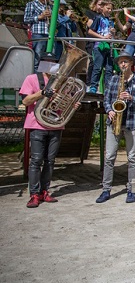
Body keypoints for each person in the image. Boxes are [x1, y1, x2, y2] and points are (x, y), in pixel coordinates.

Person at [19, 53, 77, 208]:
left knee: (50, 161)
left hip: (56, 125)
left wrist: (72, 105)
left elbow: (67, 101)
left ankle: (45, 191)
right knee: (36, 161)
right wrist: (42, 93)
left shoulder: (63, 82)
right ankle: (34, 194)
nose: (50, 64)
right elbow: (25, 101)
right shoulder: (32, 79)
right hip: (37, 124)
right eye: (47, 61)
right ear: (41, 63)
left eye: (53, 62)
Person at [95, 51, 135, 204]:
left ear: (131, 63)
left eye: (125, 62)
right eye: (120, 62)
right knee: (109, 157)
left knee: (131, 158)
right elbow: (106, 100)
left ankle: (131, 189)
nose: (123, 64)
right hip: (114, 122)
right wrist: (109, 110)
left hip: (132, 122)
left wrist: (131, 98)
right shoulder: (113, 80)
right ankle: (106, 189)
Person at [87, 0, 115, 93]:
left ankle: (108, 88)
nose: (109, 11)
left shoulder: (110, 20)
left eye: (111, 9)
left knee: (109, 69)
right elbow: (90, 31)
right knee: (97, 67)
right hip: (99, 46)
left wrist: (113, 32)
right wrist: (102, 38)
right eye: (108, 8)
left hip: (109, 47)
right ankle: (93, 87)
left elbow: (111, 34)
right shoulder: (98, 18)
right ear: (102, 8)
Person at [24, 0, 52, 72]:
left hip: (49, 34)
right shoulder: (31, 4)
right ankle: (35, 79)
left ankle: (44, 79)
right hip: (38, 34)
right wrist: (40, 16)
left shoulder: (50, 7)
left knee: (47, 59)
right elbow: (26, 19)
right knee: (37, 58)